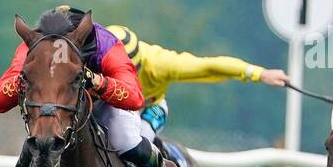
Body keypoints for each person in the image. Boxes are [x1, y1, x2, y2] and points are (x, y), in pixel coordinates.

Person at [0, 5, 181, 167]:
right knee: (36, 140)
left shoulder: (105, 44)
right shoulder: (32, 45)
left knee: (124, 140)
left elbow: (135, 97)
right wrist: (27, 75)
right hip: (59, 107)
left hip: (105, 102)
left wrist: (97, 80)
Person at [100, 24, 288, 135]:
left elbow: (209, 66)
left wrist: (260, 74)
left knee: (139, 138)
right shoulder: (93, 54)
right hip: (112, 106)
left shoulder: (161, 64)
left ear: (137, 64)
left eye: (125, 72)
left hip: (150, 107)